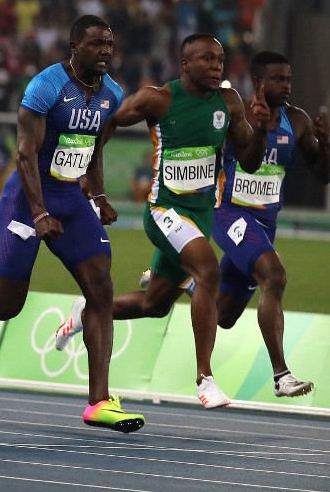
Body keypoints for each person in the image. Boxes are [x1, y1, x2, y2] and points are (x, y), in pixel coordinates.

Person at [0, 15, 146, 433]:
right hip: (26, 200)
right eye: (96, 44)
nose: (106, 50)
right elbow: (24, 155)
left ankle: (99, 402)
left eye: (110, 43)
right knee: (5, 307)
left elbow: (90, 149)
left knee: (101, 289)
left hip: (71, 199)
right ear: (74, 45)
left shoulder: (112, 94)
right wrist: (38, 214)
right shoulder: (46, 87)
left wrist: (100, 194)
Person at [55, 33, 271, 410]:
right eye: (207, 58)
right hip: (164, 212)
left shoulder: (229, 101)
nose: (217, 65)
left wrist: (263, 128)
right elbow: (109, 122)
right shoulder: (159, 98)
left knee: (154, 304)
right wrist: (93, 175)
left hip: (200, 215)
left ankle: (84, 311)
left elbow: (250, 162)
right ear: (185, 63)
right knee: (208, 271)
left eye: (220, 59)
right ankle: (205, 379)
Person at [211, 51, 328, 397]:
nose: (287, 85)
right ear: (259, 83)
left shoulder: (299, 120)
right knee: (273, 276)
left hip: (264, 222)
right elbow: (237, 160)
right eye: (279, 79)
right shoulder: (238, 116)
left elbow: (323, 175)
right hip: (230, 213)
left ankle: (183, 282)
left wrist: (327, 145)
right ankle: (282, 376)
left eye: (289, 79)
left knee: (224, 316)